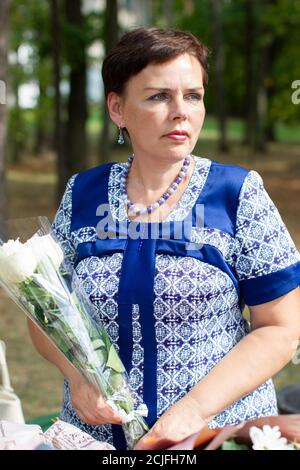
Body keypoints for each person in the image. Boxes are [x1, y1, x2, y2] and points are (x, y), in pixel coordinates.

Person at [27, 27, 300, 451]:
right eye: (158, 96)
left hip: (211, 436)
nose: (181, 112)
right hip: (96, 441)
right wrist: (77, 376)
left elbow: (281, 329)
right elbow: (44, 312)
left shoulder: (237, 193)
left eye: (193, 95)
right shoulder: (83, 194)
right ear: (117, 107)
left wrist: (192, 411)